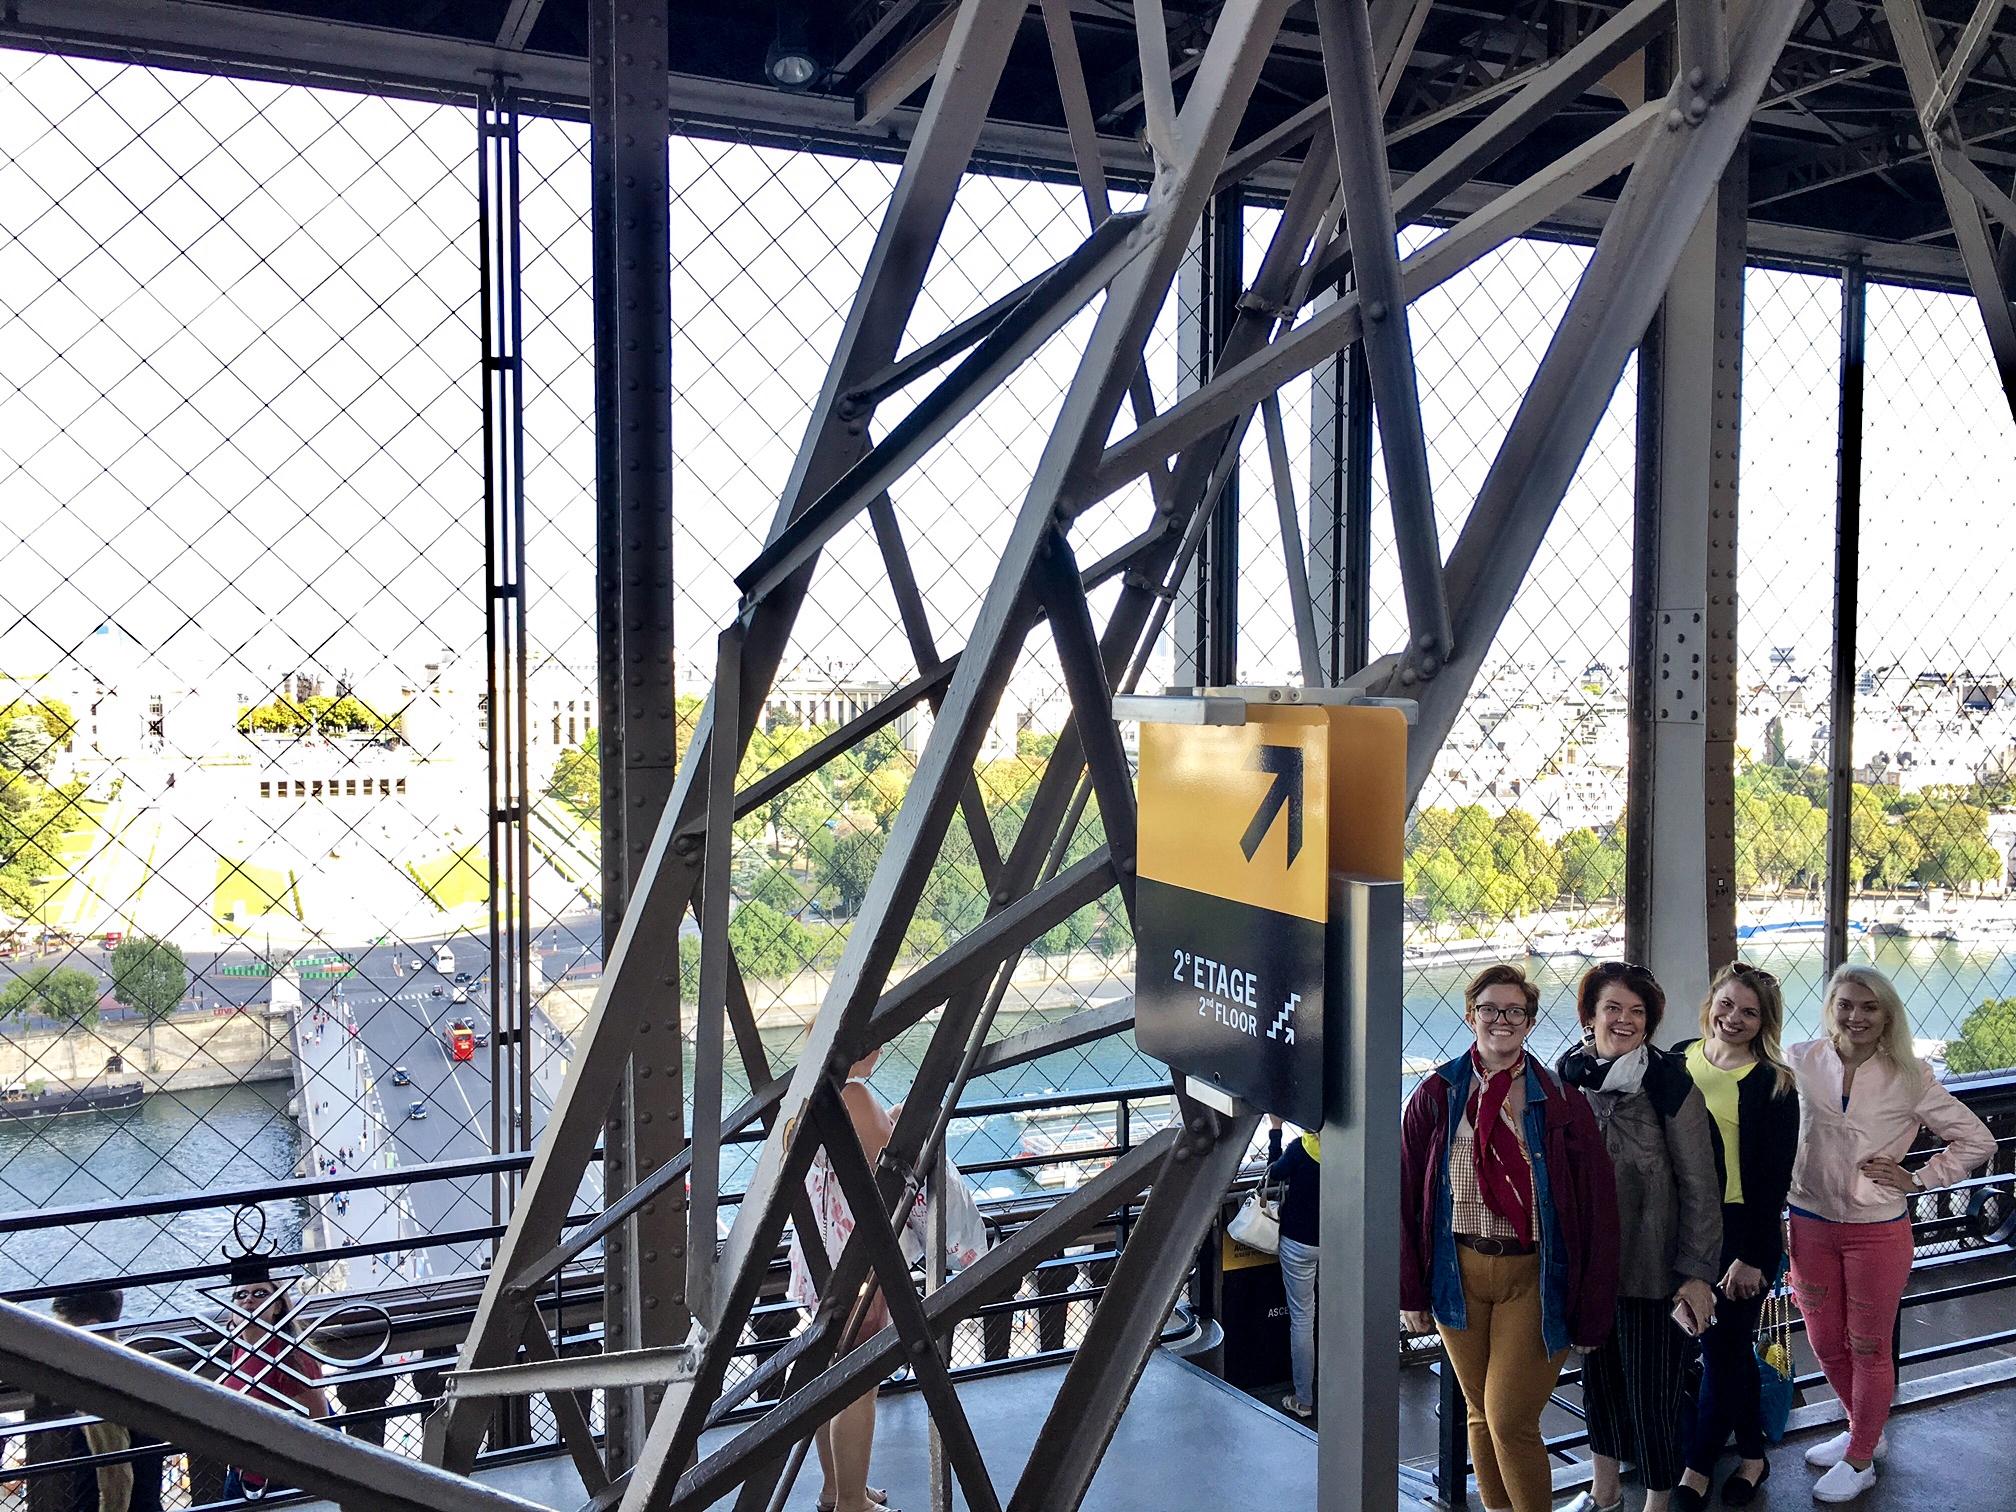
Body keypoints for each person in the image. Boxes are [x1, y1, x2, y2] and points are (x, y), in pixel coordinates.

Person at [1401, 963, 1619, 1512]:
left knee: (1509, 1419)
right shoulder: (1436, 1095)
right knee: (1478, 1413)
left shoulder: (1561, 1101)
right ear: (1470, 1016)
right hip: (1458, 1274)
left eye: (1514, 1011)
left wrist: (1593, 1311)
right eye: (1490, 1009)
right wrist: (1409, 1293)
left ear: (1529, 1021)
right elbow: (1404, 1194)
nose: (1502, 1020)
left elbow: (1598, 1209)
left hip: (1536, 1277)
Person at [1786, 965, 1994, 1503]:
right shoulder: (1799, 1060)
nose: (1855, 1016)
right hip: (1808, 1222)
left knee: (1869, 1346)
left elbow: (1977, 1140)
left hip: (1876, 1231)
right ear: (1830, 1007)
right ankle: (1865, 1431)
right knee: (1823, 1341)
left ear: (1886, 1016)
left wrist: (1919, 1178)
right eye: (1845, 1004)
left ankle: (1861, 1460)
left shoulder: (1910, 1076)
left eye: (1869, 1007)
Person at [1558, 962, 1722, 1512]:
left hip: (1655, 1267)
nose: (1624, 1020)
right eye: (1612, 1008)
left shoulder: (1671, 1084)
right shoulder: (1568, 1079)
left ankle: (1656, 1500)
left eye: (1637, 1011)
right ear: (1590, 1015)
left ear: (1649, 1022)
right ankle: (1604, 1491)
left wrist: (1696, 1274)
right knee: (1599, 1382)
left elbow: (1701, 1186)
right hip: (1591, 1265)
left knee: (1653, 1393)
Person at [1673, 963, 1800, 1511]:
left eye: (1750, 1012)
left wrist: (1751, 1255)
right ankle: (1752, 1456)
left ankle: (1697, 1468)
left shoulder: (1775, 1083)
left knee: (1721, 1349)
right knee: (1725, 1348)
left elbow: (1774, 1181)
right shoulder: (1678, 1058)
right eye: (1726, 1004)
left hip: (1742, 1234)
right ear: (1711, 1003)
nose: (1734, 1018)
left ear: (1764, 1022)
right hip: (1685, 1225)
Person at [786, 1051, 897, 1512]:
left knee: (830, 1370)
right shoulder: (853, 1095)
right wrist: (895, 1119)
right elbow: (890, 1158)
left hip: (820, 1248)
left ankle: (836, 1488)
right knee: (859, 1382)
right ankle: (853, 1502)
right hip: (856, 1250)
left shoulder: (809, 1093)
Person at [32, 1289, 164, 1512]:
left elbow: (115, 1481)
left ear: (91, 1327)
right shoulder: (135, 1376)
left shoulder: (100, 1393)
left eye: (62, 1329)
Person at [218, 1260, 330, 1500]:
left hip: (279, 1483)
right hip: (241, 1475)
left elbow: (320, 1424)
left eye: (260, 1293)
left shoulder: (291, 1356)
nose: (248, 1300)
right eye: (240, 1295)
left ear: (278, 1305)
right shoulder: (241, 1345)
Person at [1265, 1114, 1321, 1420]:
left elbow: (1274, 1172)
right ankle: (1347, 1393)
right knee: (1342, 1317)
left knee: (1302, 1320)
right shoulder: (1352, 1149)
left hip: (1298, 1241)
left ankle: (1303, 1400)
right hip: (1341, 1242)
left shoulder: (1302, 1148)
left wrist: (1275, 1130)